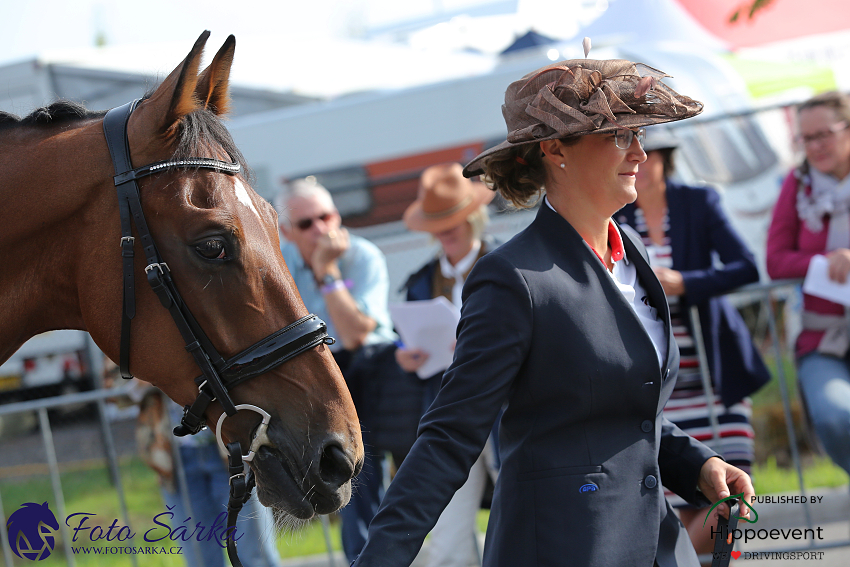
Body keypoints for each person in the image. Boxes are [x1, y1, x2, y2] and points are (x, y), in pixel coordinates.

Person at [351, 55, 755, 567]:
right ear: (553, 148)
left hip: (657, 543)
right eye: (617, 135)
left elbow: (625, 411)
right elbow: (450, 436)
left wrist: (697, 464)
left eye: (638, 133)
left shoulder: (632, 250)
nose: (639, 152)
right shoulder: (512, 277)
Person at [616, 126, 770, 558]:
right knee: (678, 502)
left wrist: (685, 282)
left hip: (715, 374)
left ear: (665, 158)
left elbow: (746, 267)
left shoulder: (698, 202)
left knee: (730, 497)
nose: (640, 164)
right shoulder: (616, 218)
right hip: (658, 386)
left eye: (650, 155)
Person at [274, 177, 397, 562]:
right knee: (342, 482)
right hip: (318, 376)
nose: (321, 229)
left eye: (326, 216)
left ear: (338, 215)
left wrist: (327, 272)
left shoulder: (362, 255)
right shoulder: (282, 264)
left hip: (371, 372)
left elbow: (355, 334)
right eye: (307, 223)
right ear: (287, 232)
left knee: (378, 478)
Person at [396, 163, 498, 567]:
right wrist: (405, 354)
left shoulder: (506, 263)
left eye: (450, 220)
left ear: (472, 215)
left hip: (510, 409)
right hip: (450, 413)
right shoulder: (421, 279)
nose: (444, 231)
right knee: (448, 541)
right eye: (436, 224)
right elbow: (404, 338)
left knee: (526, 519)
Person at [766, 90, 850, 478]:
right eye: (806, 138)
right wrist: (823, 264)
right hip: (824, 339)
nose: (815, 146)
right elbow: (776, 259)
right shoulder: (797, 185)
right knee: (835, 417)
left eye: (824, 134)